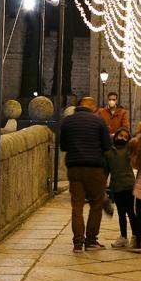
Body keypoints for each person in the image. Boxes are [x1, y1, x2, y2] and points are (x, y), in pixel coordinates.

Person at [60, 96, 111, 252]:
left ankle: (77, 243)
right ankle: (90, 241)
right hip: (95, 167)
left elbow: (63, 146)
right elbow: (107, 145)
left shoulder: (68, 121)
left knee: (77, 205)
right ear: (92, 106)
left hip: (74, 167)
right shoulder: (99, 121)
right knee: (96, 204)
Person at [104, 128, 136, 248]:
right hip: (116, 186)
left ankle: (135, 235)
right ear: (115, 135)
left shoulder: (129, 149)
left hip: (128, 185)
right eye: (120, 135)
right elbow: (106, 170)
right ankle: (123, 237)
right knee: (121, 213)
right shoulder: (109, 152)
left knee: (131, 212)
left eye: (125, 137)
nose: (122, 138)